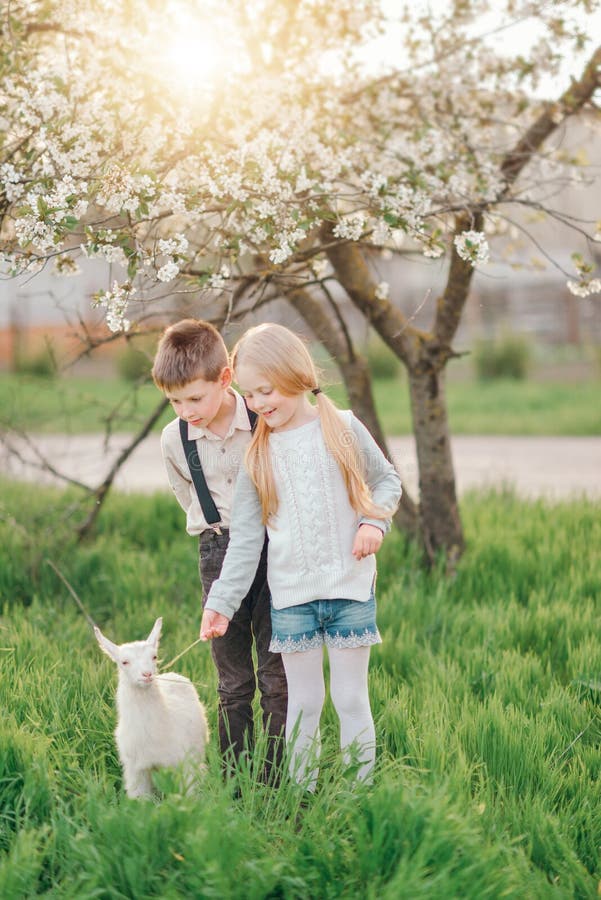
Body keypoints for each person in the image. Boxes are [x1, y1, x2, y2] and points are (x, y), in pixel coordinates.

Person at [200, 323, 401, 788]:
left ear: (296, 375)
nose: (258, 405)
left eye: (266, 391)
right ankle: (302, 794)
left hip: (349, 587)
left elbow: (387, 480)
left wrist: (375, 522)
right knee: (304, 702)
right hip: (291, 600)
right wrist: (221, 604)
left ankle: (359, 792)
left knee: (351, 698)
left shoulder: (343, 428)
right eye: (249, 396)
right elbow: (246, 542)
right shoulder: (258, 456)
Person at [152, 319, 287, 780]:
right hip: (217, 551)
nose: (185, 410)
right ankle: (235, 777)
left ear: (224, 379)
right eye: (174, 401)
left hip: (275, 550)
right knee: (232, 680)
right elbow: (185, 495)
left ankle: (274, 778)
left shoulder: (262, 420)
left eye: (195, 398)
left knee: (276, 674)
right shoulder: (175, 439)